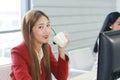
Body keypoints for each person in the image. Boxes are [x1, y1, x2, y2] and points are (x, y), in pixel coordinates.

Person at [10, 10, 70, 80]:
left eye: (48, 25)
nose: (47, 31)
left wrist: (61, 49)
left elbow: (61, 77)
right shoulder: (17, 52)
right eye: (40, 27)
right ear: (30, 31)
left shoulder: (46, 48)